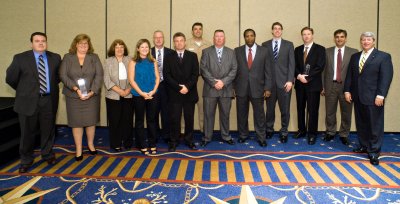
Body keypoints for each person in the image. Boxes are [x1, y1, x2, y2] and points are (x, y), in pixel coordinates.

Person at [6, 32, 61, 173]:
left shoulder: (55, 58)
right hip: (27, 102)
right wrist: (25, 91)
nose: (41, 43)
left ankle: (47, 154)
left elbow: (57, 78)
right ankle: (26, 160)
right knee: (27, 133)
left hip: (48, 100)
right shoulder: (20, 58)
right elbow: (11, 79)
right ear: (31, 43)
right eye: (37, 41)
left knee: (48, 130)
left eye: (43, 40)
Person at [344, 31, 393, 165]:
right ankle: (364, 146)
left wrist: (381, 95)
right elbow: (350, 75)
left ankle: (374, 152)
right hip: (358, 96)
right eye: (363, 40)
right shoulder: (355, 57)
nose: (365, 42)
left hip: (374, 97)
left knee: (374, 125)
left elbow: (386, 78)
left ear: (373, 41)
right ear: (361, 41)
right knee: (361, 123)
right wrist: (347, 90)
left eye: (368, 40)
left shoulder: (383, 57)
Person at [59, 34, 104, 161]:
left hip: (91, 96)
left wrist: (92, 91)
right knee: (76, 123)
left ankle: (90, 144)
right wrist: (76, 89)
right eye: (81, 43)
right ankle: (78, 148)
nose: (83, 46)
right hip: (73, 96)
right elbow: (63, 75)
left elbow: (99, 75)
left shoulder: (94, 57)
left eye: (86, 43)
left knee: (91, 122)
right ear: (76, 44)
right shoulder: (68, 57)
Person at [200, 29, 237, 147]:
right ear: (213, 38)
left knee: (225, 115)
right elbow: (203, 69)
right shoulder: (206, 52)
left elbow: (234, 69)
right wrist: (214, 82)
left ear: (224, 38)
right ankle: (207, 137)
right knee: (208, 115)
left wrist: (223, 82)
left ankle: (226, 136)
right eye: (217, 36)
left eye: (221, 36)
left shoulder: (231, 52)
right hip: (210, 89)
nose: (219, 38)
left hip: (226, 89)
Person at [234, 29, 271, 147]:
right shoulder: (237, 51)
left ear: (255, 36)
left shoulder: (264, 51)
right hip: (241, 88)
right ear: (244, 37)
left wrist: (268, 88)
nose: (249, 38)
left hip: (258, 88)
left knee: (259, 115)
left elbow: (268, 71)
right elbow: (234, 71)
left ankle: (261, 137)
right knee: (242, 114)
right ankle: (243, 135)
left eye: (251, 36)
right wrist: (233, 87)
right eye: (247, 36)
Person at [164, 32, 199, 151]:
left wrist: (187, 87)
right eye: (176, 41)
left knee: (189, 119)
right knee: (175, 119)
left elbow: (195, 74)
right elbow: (167, 75)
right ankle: (174, 141)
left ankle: (189, 140)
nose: (179, 43)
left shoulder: (192, 56)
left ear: (185, 42)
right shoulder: (168, 56)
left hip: (189, 93)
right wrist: (179, 88)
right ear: (174, 43)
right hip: (174, 94)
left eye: (181, 40)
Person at [321, 29, 357, 145]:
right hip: (330, 86)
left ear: (345, 38)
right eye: (337, 37)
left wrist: (352, 89)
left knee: (346, 112)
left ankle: (344, 134)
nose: (339, 39)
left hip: (346, 88)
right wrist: (322, 86)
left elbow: (355, 73)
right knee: (330, 112)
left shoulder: (353, 52)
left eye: (342, 37)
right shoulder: (327, 51)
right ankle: (330, 132)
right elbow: (323, 71)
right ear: (334, 38)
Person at [262, 22, 295, 143]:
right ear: (272, 31)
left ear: (282, 31)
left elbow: (292, 64)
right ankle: (269, 130)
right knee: (269, 110)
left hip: (285, 84)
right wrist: (265, 85)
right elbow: (263, 66)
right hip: (270, 85)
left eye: (279, 29)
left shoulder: (289, 45)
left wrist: (290, 81)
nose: (277, 30)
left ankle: (284, 132)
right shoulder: (264, 45)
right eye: (275, 29)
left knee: (285, 110)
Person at [294, 27, 326, 145]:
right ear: (302, 36)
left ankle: (312, 134)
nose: (306, 36)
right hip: (300, 85)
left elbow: (320, 66)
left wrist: (306, 77)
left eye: (308, 34)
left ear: (312, 35)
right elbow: (294, 65)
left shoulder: (320, 49)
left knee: (313, 110)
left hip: (313, 85)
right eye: (304, 34)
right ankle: (301, 130)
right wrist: (298, 76)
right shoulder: (297, 49)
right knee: (300, 108)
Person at [128, 39, 160, 155]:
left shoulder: (153, 61)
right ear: (137, 49)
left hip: (152, 95)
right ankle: (141, 144)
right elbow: (131, 80)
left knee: (152, 120)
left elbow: (157, 78)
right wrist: (142, 93)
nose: (144, 49)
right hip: (138, 95)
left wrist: (153, 91)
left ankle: (152, 143)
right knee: (140, 120)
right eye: (142, 47)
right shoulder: (133, 62)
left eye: (146, 47)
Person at [104, 39, 133, 152]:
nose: (119, 49)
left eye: (121, 47)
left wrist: (127, 90)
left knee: (127, 120)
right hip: (113, 95)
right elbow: (106, 79)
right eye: (117, 47)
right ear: (113, 49)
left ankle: (127, 142)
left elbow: (134, 77)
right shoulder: (108, 61)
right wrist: (119, 91)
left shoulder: (130, 60)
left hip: (129, 94)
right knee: (115, 120)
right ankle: (115, 143)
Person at [186, 22, 212, 133]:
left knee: (202, 106)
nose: (197, 31)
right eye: (195, 29)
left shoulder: (208, 44)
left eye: (199, 29)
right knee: (186, 106)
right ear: (192, 31)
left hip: (202, 79)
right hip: (188, 80)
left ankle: (203, 130)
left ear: (202, 30)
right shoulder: (186, 43)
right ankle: (184, 130)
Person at [151, 30, 173, 143]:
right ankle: (154, 135)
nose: (158, 39)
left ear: (163, 39)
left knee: (166, 113)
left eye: (160, 37)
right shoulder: (148, 52)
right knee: (153, 112)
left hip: (167, 87)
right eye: (156, 37)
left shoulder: (171, 52)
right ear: (153, 39)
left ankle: (166, 136)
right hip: (152, 87)